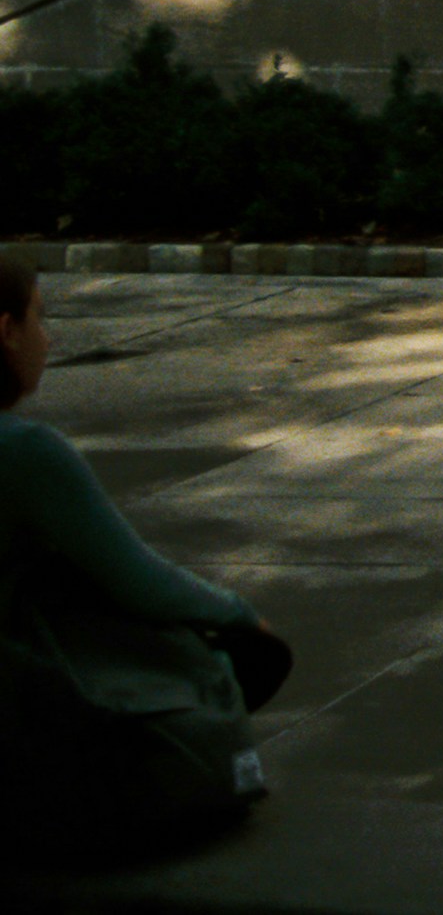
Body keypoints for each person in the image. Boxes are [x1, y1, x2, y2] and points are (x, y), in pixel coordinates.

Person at [0, 254, 290, 849]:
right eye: (38, 318)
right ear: (5, 332)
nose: (47, 339)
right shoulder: (26, 452)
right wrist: (239, 615)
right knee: (227, 649)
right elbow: (138, 579)